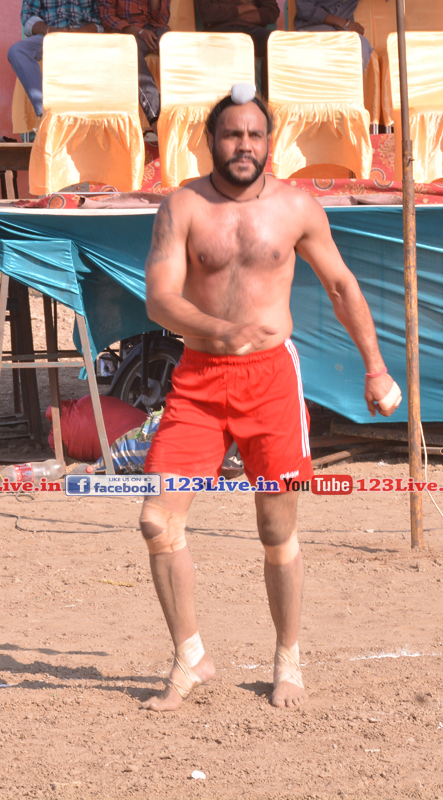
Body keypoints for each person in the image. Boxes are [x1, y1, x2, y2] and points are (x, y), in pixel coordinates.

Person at [137, 85, 400, 712]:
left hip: (271, 381)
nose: (244, 145)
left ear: (269, 142)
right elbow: (160, 298)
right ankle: (190, 657)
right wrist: (220, 330)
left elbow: (341, 285)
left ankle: (288, 660)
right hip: (199, 379)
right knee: (156, 520)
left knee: (275, 528)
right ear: (211, 140)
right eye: (232, 134)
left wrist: (376, 367)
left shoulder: (296, 207)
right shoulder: (183, 206)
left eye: (255, 134)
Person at [9, 0, 103, 121]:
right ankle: (46, 113)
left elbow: (100, 22)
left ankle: (104, 119)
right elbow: (29, 18)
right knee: (18, 51)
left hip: (85, 37)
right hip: (49, 36)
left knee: (118, 50)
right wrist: (50, 30)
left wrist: (80, 32)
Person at [97, 0, 170, 124]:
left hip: (155, 31)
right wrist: (137, 31)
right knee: (132, 53)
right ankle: (156, 119)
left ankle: (186, 117)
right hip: (127, 33)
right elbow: (107, 17)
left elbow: (162, 20)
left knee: (176, 46)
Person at [292, 0, 374, 71]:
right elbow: (305, 9)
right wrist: (343, 23)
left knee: (361, 47)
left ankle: (346, 84)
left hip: (343, 33)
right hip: (312, 29)